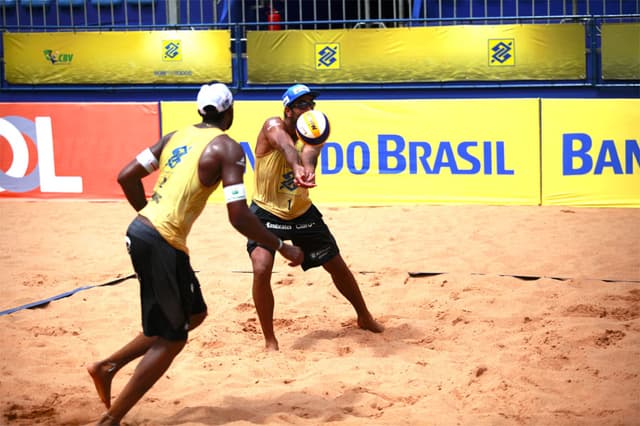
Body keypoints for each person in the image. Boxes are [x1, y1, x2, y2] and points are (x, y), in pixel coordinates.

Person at [87, 82, 304, 426]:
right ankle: (110, 420)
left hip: (146, 231)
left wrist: (148, 212)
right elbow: (239, 216)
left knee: (195, 313)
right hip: (162, 241)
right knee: (173, 338)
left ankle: (107, 366)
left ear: (200, 111)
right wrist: (282, 245)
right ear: (229, 111)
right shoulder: (228, 149)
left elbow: (126, 176)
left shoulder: (174, 135)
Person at [247, 83, 384, 351]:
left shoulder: (315, 129)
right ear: (288, 110)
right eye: (302, 104)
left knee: (336, 265)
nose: (309, 109)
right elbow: (285, 146)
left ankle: (364, 317)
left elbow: (310, 153)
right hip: (266, 211)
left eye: (312, 104)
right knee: (261, 267)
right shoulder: (273, 126)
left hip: (300, 211)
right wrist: (296, 166)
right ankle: (270, 340)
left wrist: (307, 169)